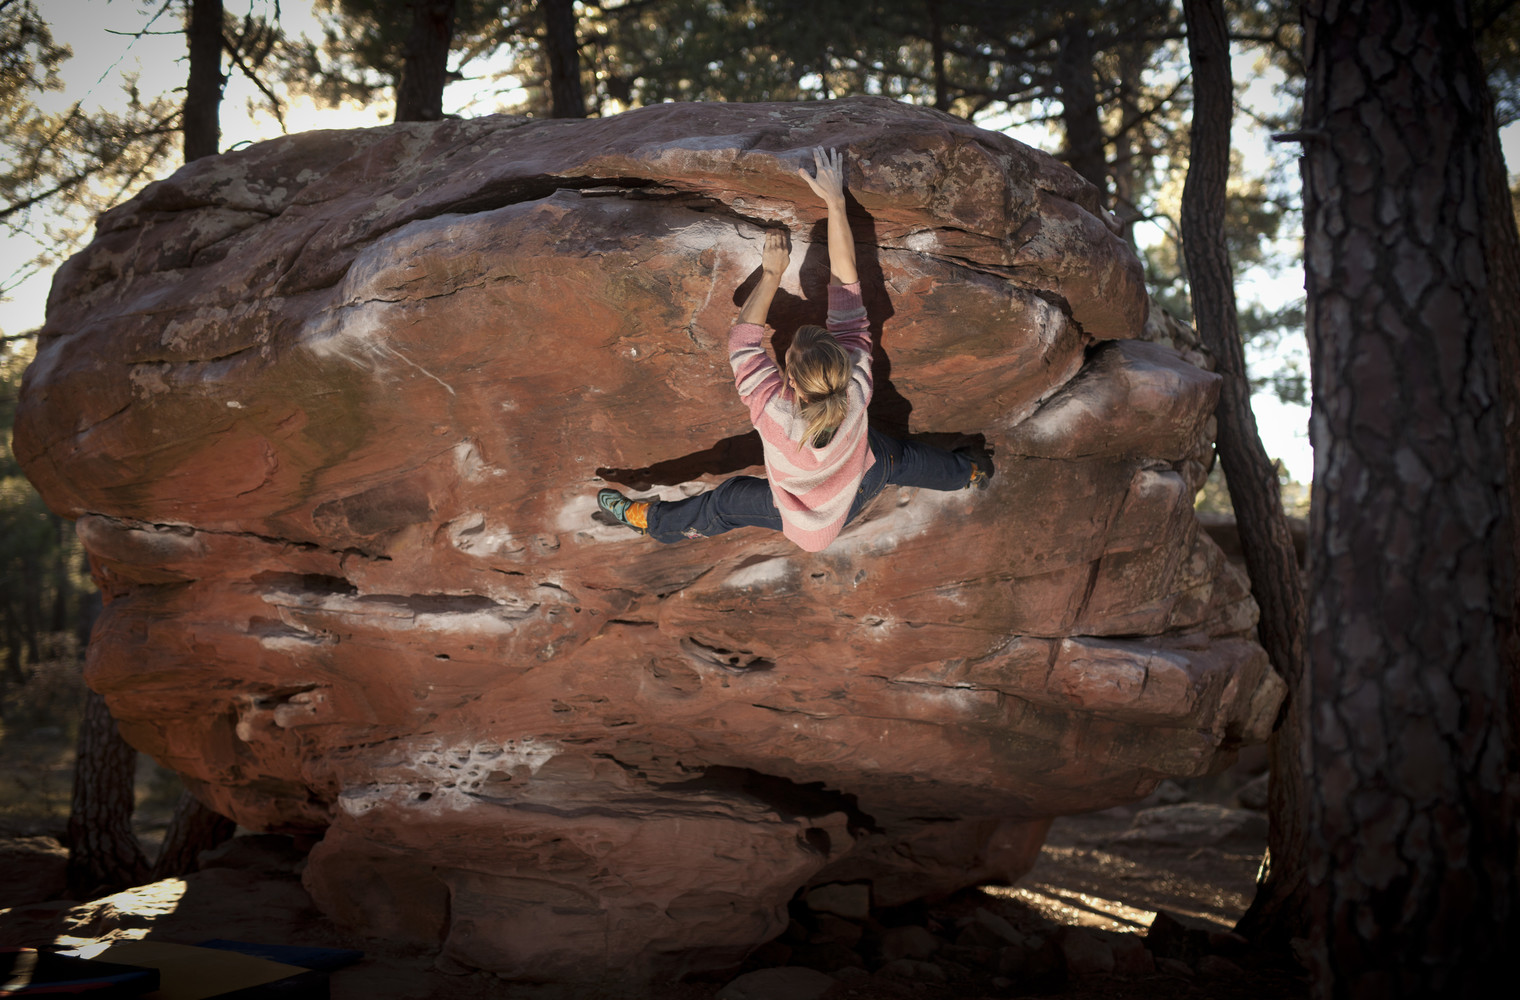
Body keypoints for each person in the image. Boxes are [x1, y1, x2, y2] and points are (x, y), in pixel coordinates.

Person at [597, 147, 988, 552]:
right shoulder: (853, 384)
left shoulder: (782, 412)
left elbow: (742, 341)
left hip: (816, 520)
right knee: (897, 458)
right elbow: (843, 293)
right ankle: (971, 471)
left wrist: (771, 273)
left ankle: (652, 521)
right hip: (866, 472)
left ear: (793, 383)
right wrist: (836, 203)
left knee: (726, 502)